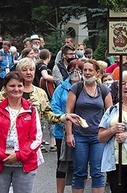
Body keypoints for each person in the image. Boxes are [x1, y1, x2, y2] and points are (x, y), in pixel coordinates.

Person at [0, 71, 43, 193]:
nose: (16, 89)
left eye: (19, 86)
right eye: (12, 86)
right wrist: (3, 156)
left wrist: (18, 156)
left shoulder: (31, 110)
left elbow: (36, 139)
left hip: (24, 165)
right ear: (5, 88)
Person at [65, 59, 113, 193]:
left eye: (90, 70)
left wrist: (109, 133)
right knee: (79, 171)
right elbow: (68, 113)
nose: (87, 73)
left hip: (98, 137)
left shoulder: (103, 90)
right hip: (79, 136)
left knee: (97, 171)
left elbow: (111, 113)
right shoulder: (76, 88)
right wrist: (69, 134)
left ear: (97, 72)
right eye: (84, 70)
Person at [51, 59, 84, 193]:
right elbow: (54, 106)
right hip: (62, 131)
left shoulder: (87, 87)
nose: (75, 72)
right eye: (72, 69)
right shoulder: (61, 87)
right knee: (62, 164)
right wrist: (66, 118)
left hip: (82, 131)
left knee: (80, 164)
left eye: (78, 70)